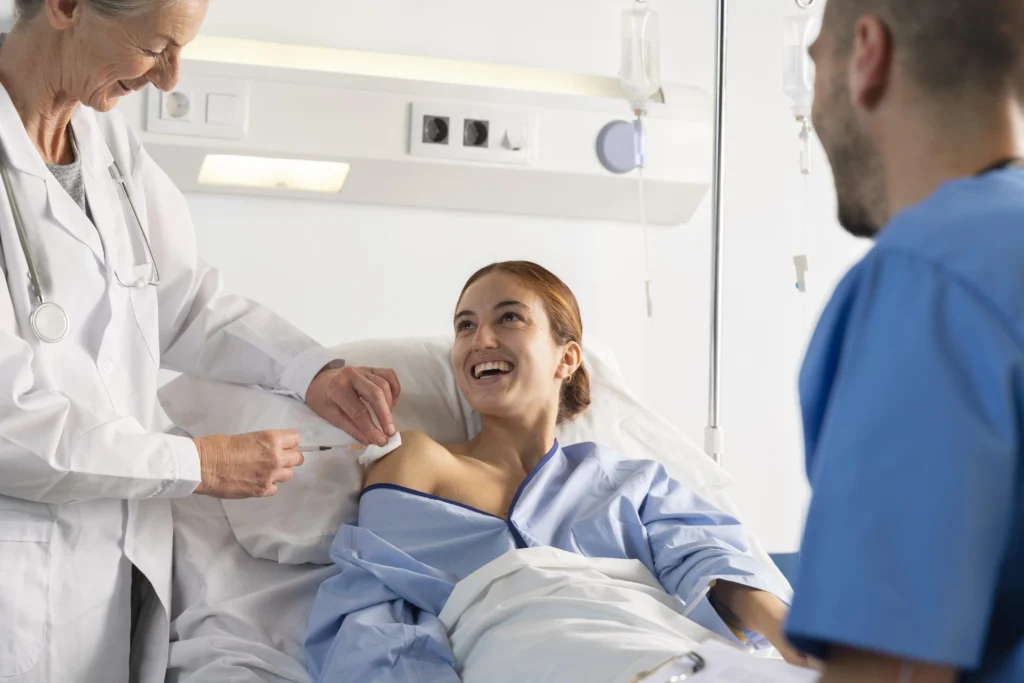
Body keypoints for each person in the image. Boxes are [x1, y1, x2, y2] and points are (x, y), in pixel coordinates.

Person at [0, 1, 401, 682]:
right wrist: (198, 463)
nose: (170, 79)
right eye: (156, 47)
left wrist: (312, 370)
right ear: (66, 6)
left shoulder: (110, 150)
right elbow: (12, 429)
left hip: (113, 569)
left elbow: (182, 302)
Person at [304, 261, 806, 682]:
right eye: (464, 325)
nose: (480, 338)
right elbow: (378, 604)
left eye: (509, 318)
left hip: (664, 639)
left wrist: (797, 645)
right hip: (532, 650)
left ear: (566, 358)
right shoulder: (419, 459)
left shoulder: (626, 481)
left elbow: (709, 558)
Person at [782, 1, 1024, 681]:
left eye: (815, 63)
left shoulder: (928, 279)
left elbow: (888, 672)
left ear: (866, 53)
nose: (815, 113)